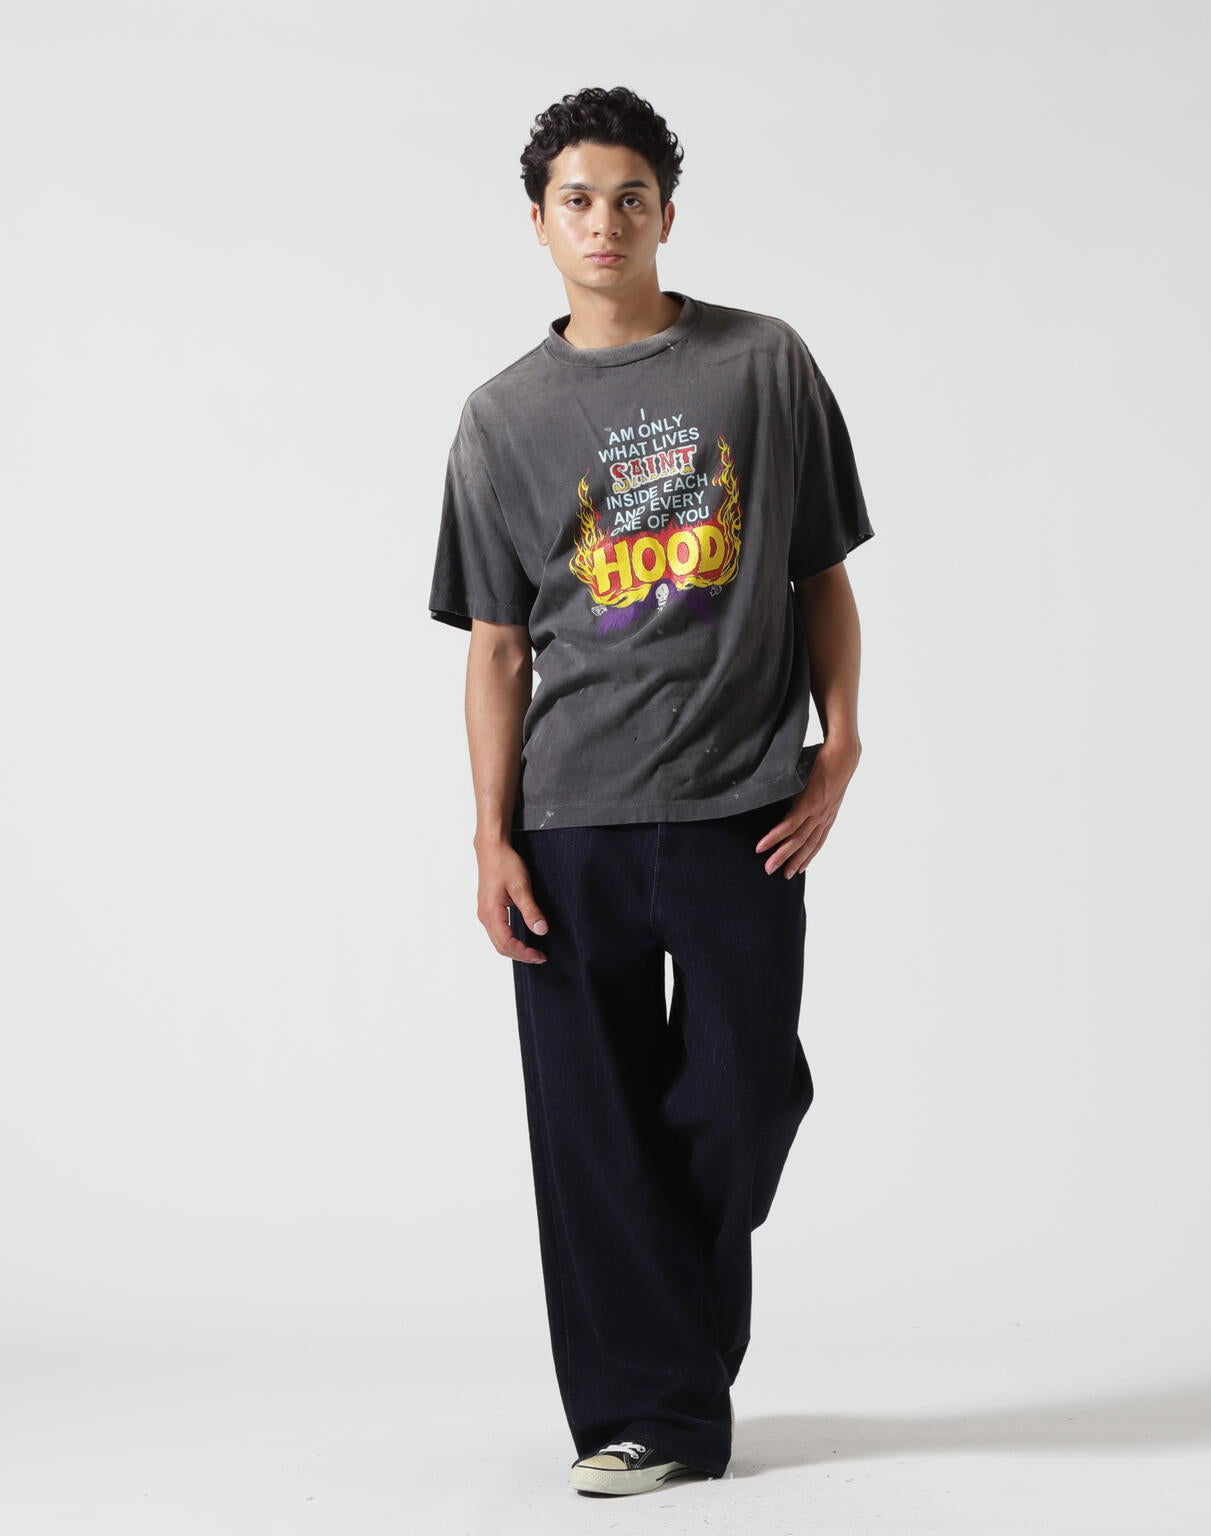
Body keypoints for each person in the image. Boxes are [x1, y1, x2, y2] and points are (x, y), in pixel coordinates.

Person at [428, 85, 874, 1498]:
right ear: (539, 223)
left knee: (744, 1094)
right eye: (578, 200)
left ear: (667, 213)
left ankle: (666, 1364)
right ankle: (651, 1417)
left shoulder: (763, 364)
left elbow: (818, 572)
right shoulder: (502, 418)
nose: (605, 222)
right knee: (592, 1128)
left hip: (745, 806)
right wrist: (489, 835)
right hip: (572, 819)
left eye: (630, 197)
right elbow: (498, 648)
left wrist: (842, 742)